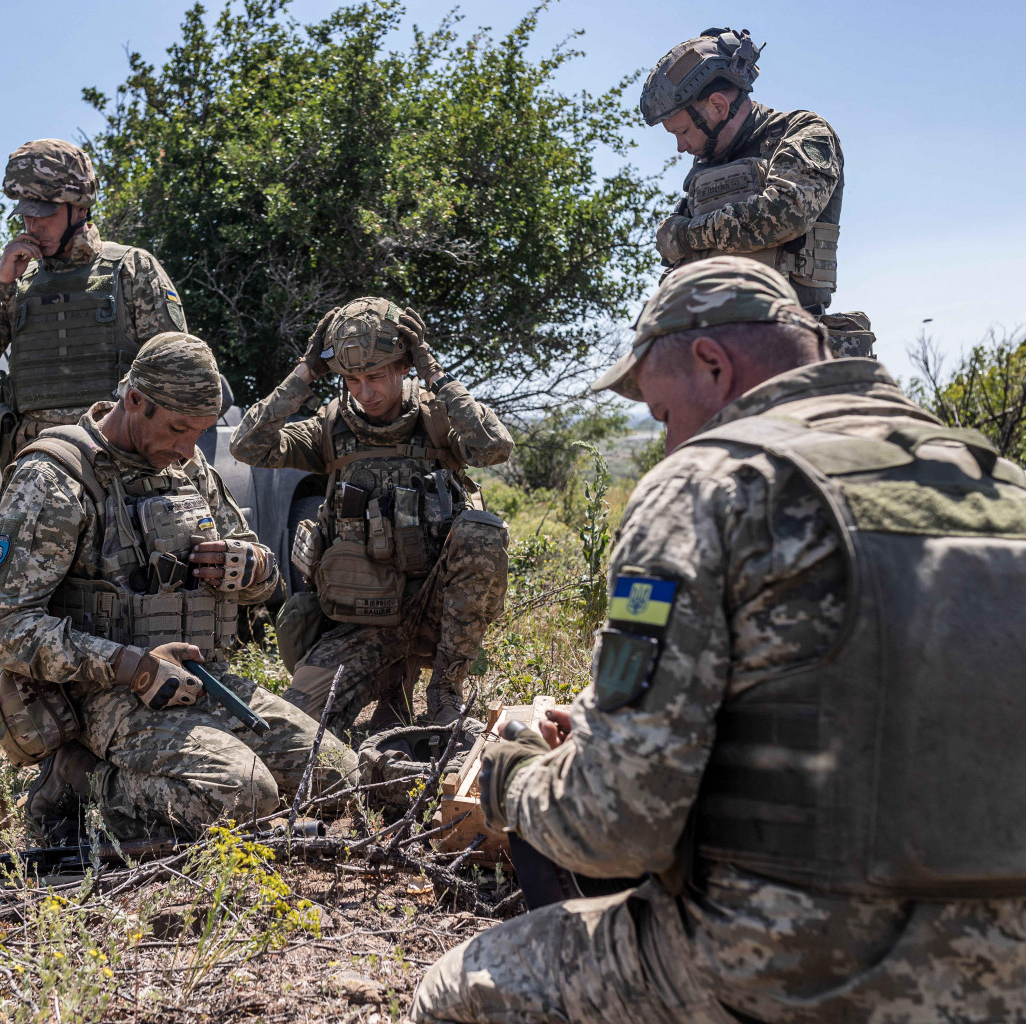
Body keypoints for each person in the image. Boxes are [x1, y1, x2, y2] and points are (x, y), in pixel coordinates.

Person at [410, 256, 1026, 1023]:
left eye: (664, 416)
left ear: (712, 365)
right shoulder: (998, 481)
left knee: (455, 991)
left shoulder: (710, 485)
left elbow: (616, 828)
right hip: (1004, 973)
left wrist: (510, 775)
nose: (666, 444)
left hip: (795, 967)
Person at [0, 332, 357, 840]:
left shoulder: (187, 465)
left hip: (200, 679)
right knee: (246, 794)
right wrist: (128, 665)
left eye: (199, 433)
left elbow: (263, 577)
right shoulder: (54, 479)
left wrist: (250, 568)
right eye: (178, 429)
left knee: (338, 777)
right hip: (101, 694)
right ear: (135, 401)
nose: (187, 447)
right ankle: (76, 780)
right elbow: (1, 625)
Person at [230, 298, 513, 731]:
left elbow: (495, 446)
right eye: (352, 379)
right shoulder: (329, 431)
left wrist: (435, 373)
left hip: (432, 613)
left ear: (404, 366)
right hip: (360, 623)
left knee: (482, 533)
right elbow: (246, 445)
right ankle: (392, 686)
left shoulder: (437, 423)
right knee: (292, 728)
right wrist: (305, 372)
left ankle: (443, 689)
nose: (365, 392)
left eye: (376, 376)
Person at [0, 138, 190, 469]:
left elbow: (179, 377)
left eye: (44, 214)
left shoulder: (132, 270)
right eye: (26, 215)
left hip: (117, 467)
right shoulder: (17, 282)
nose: (33, 226)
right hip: (35, 468)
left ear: (79, 207)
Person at [642, 28, 876, 358]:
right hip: (719, 357)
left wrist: (686, 235)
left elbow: (782, 215)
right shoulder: (704, 168)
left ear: (717, 106)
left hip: (796, 353)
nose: (680, 147)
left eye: (682, 131)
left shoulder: (802, 132)